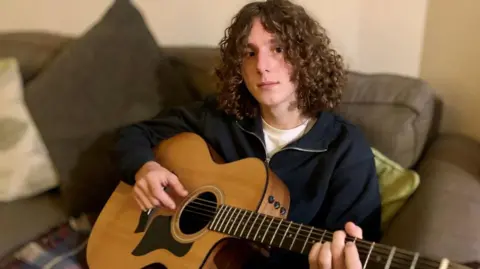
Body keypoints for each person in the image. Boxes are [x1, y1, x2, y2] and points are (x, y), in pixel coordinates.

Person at [113, 0, 382, 268]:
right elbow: (136, 135)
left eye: (278, 49)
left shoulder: (346, 149)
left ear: (305, 57)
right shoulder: (219, 117)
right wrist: (144, 168)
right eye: (249, 53)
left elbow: (358, 247)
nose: (262, 66)